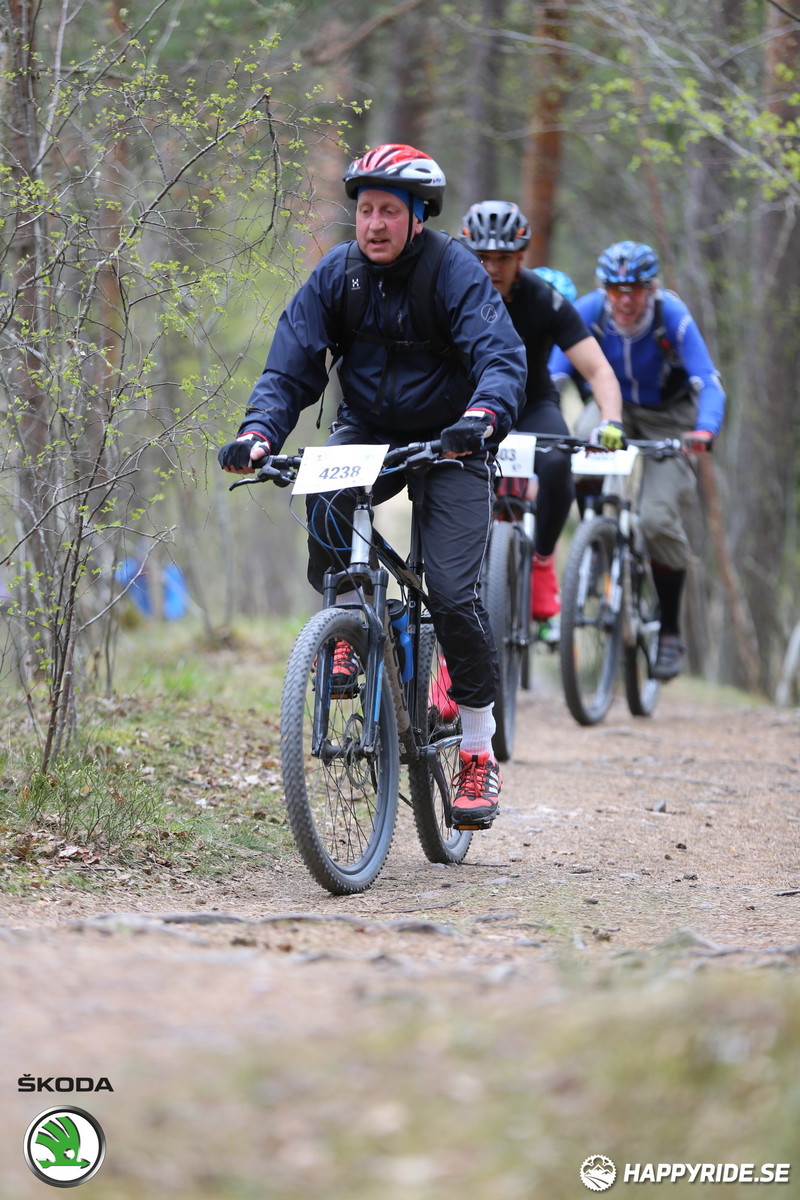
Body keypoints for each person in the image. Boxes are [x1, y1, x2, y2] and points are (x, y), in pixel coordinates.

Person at [218, 144, 527, 828]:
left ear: (419, 217)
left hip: (451, 441)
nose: (375, 224)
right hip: (365, 433)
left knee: (451, 593)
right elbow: (290, 367)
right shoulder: (339, 276)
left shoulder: (454, 273)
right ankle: (359, 629)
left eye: (390, 211)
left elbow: (499, 356)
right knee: (322, 514)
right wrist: (259, 433)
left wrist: (481, 418)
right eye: (365, 210)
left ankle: (477, 750)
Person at [548, 240, 726, 680]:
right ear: (604, 288)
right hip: (613, 409)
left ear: (652, 288)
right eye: (615, 288)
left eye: (636, 288)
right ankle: (595, 536)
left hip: (671, 418)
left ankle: (668, 629)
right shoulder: (590, 311)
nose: (625, 299)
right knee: (579, 436)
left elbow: (709, 382)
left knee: (657, 519)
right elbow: (555, 374)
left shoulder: (672, 317)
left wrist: (703, 431)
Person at [459, 201, 624, 631]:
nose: (491, 268)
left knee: (556, 464)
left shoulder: (543, 299)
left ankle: (543, 559)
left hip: (531, 404)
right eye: (482, 257)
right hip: (465, 408)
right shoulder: (449, 289)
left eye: (502, 258)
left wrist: (610, 421)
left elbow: (597, 369)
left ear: (521, 258)